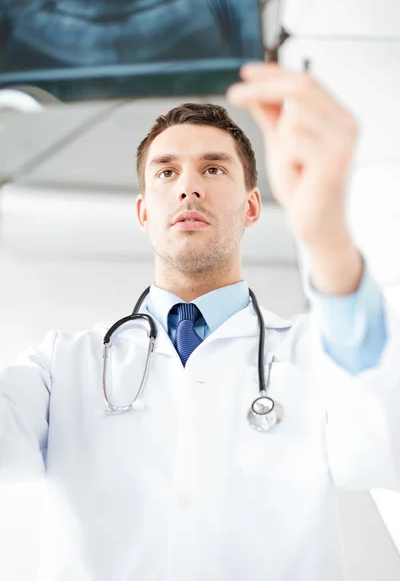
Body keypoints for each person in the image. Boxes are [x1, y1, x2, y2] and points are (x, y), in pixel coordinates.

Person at [1, 61, 399, 581]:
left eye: (213, 169)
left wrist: (327, 242)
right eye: (167, 172)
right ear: (144, 212)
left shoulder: (317, 352)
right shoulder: (62, 366)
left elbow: (379, 454)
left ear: (253, 206)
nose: (188, 187)